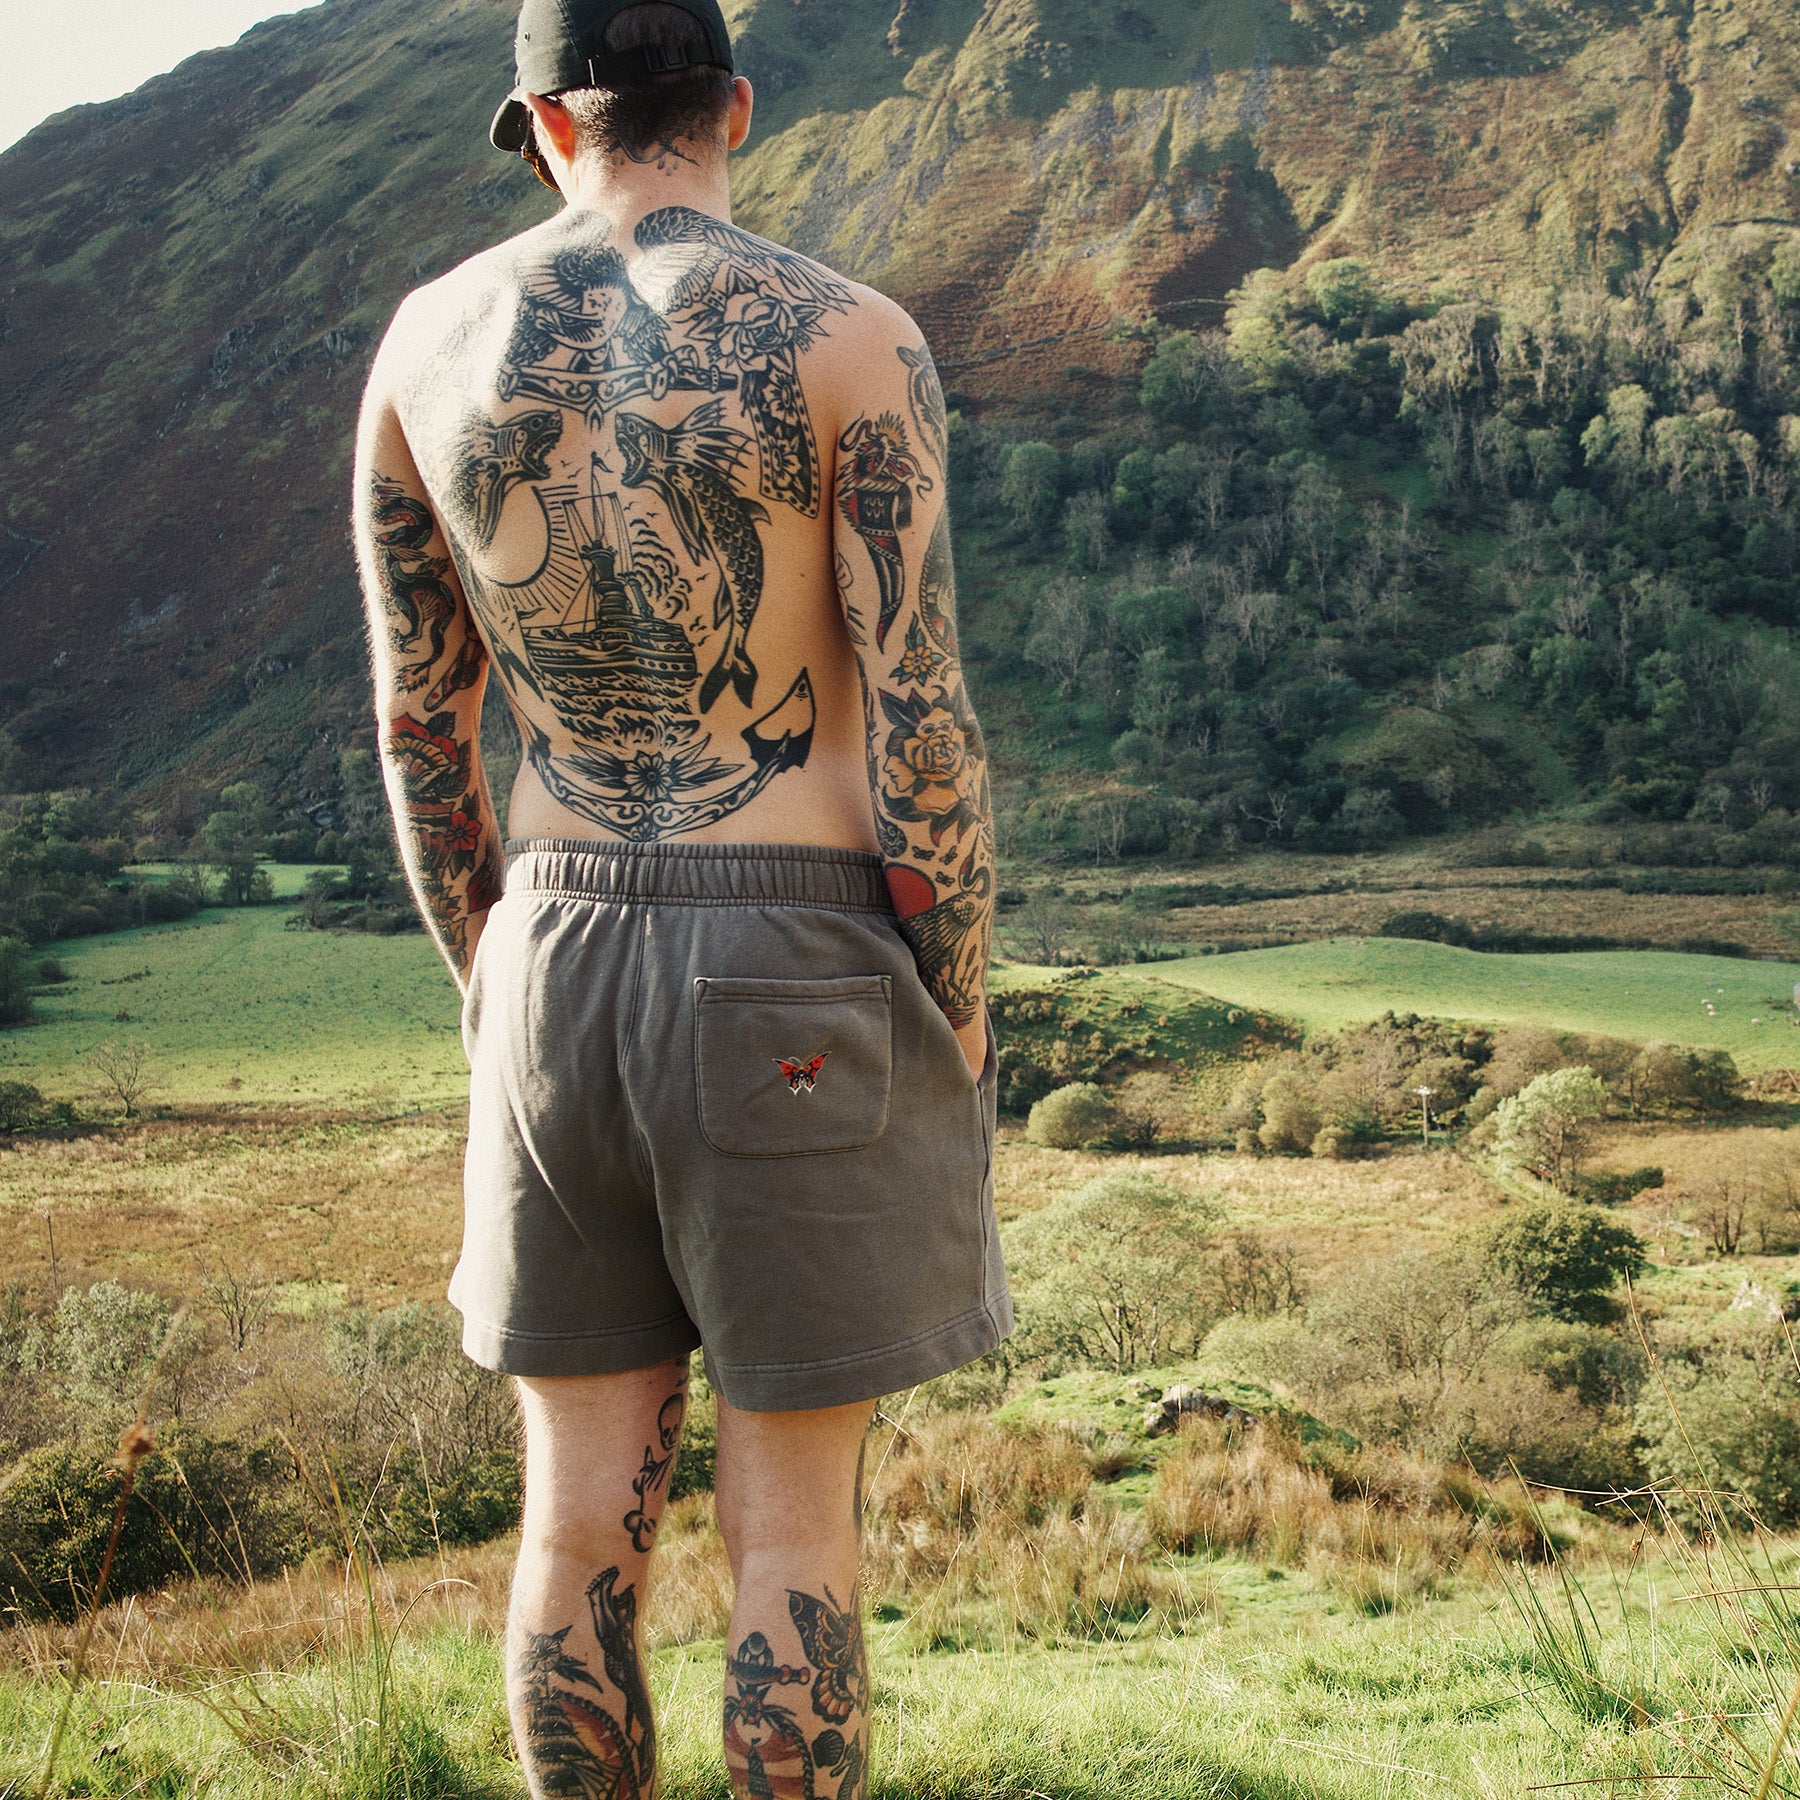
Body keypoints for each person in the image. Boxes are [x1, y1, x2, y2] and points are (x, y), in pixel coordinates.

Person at [350, 3, 1010, 1794]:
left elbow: (421, 725)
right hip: (796, 941)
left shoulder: (428, 343)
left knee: (573, 1525)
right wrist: (957, 998)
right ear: (733, 107)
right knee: (793, 1533)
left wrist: (490, 982)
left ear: (549, 128)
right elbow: (922, 716)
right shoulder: (851, 337)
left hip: (550, 940)